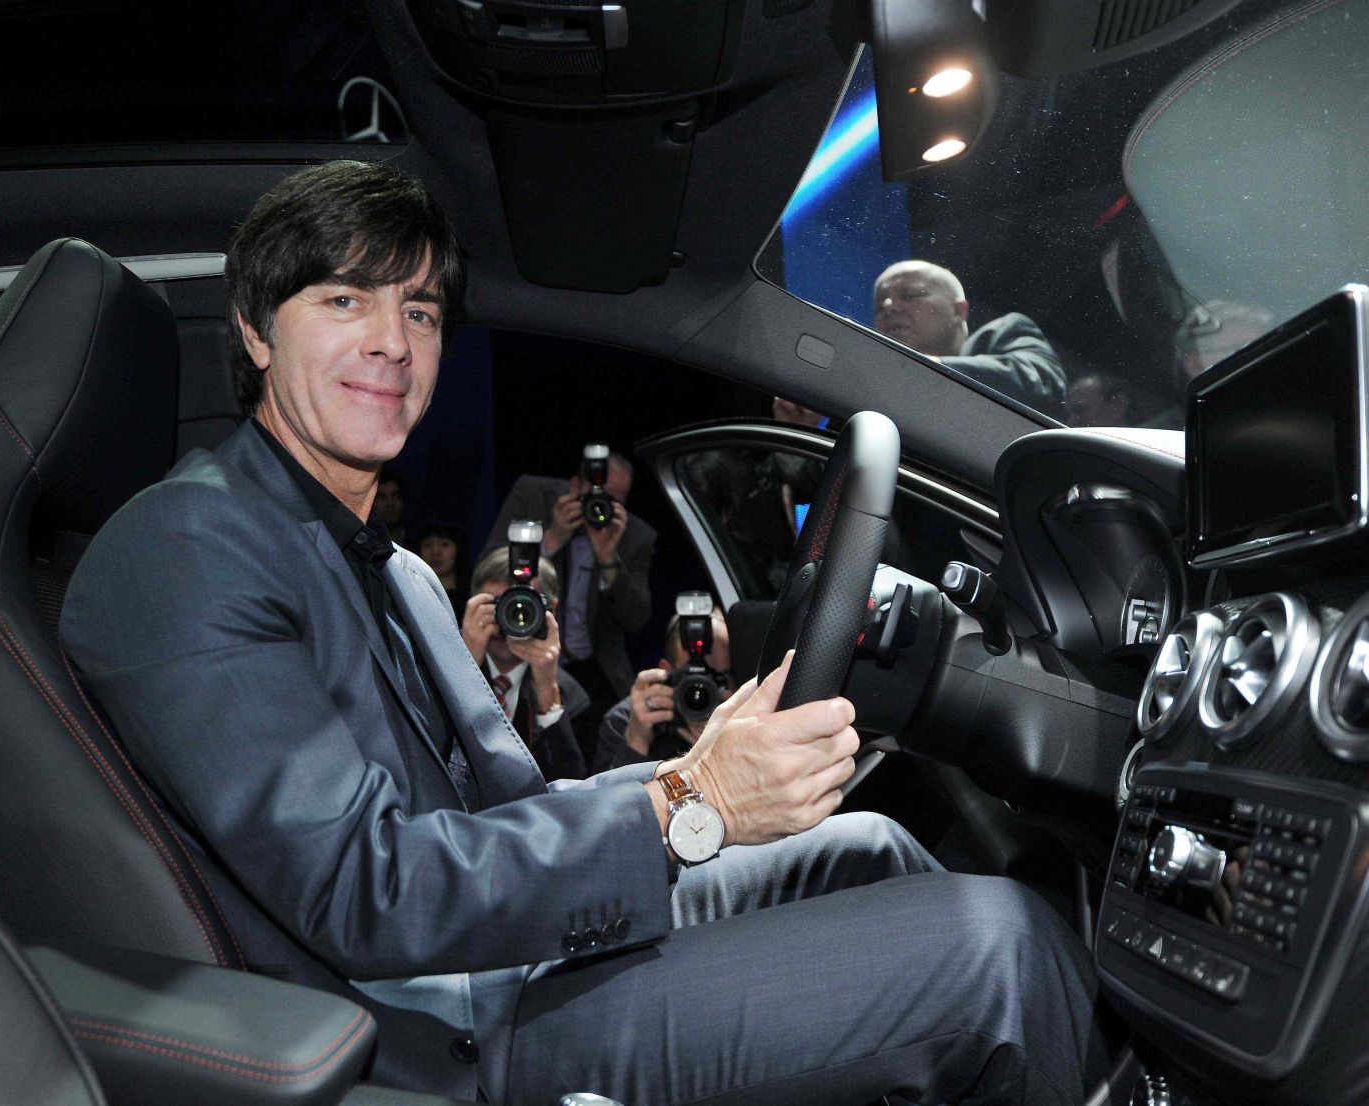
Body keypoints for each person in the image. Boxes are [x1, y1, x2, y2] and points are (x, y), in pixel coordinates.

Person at [61, 160, 1109, 1104]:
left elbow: (505, 812)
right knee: (1002, 951)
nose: (392, 341)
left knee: (864, 846)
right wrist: (693, 804)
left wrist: (693, 772)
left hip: (498, 955)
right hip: (447, 1035)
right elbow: (366, 891)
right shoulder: (190, 543)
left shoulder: (376, 563)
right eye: (345, 299)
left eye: (419, 310)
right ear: (256, 328)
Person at [482, 455, 655, 766]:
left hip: (594, 670)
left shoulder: (636, 536)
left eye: (612, 501)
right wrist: (553, 538)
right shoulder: (534, 499)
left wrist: (608, 558)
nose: (600, 505)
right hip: (518, 651)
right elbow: (485, 574)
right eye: (594, 493)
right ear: (575, 486)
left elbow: (636, 619)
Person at [873, 259, 1067, 416]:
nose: (888, 308)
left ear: (959, 311)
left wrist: (928, 368)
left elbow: (1043, 380)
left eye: (908, 296)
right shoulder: (877, 386)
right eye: (880, 306)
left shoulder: (1002, 331)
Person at [460, 547, 586, 782]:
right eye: (499, 605)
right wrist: (462, 665)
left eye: (523, 606)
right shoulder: (435, 670)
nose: (509, 619)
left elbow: (571, 788)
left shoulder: (572, 696)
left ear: (551, 611)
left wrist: (548, 692)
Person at [594, 603, 731, 773]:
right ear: (666, 673)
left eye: (719, 678)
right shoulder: (628, 720)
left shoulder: (745, 714)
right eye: (693, 678)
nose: (703, 691)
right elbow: (605, 791)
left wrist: (726, 749)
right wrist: (637, 741)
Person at [416, 520, 470, 621]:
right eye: (428, 545)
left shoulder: (472, 593)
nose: (435, 552)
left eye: (445, 545)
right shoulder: (411, 595)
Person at [374, 468, 408, 544]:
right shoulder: (363, 543)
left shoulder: (418, 542)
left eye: (396, 496)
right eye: (381, 497)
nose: (390, 503)